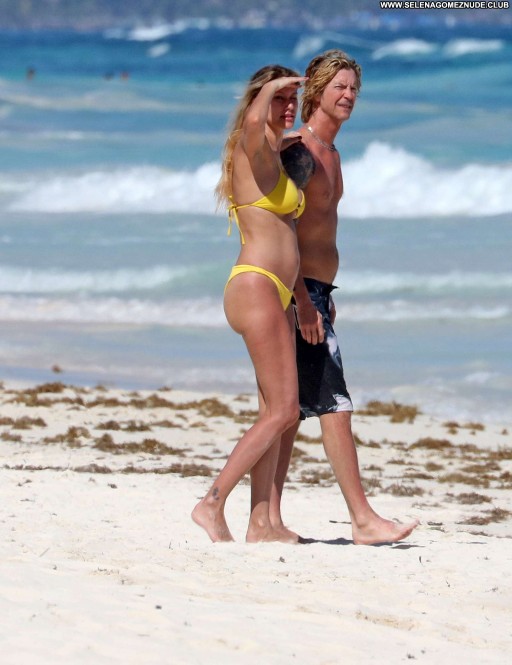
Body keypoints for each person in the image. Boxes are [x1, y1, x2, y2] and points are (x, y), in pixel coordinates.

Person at [273, 50, 419, 545]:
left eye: (354, 88)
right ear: (317, 91)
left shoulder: (331, 153)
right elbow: (282, 227)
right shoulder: (300, 151)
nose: (349, 95)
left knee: (290, 412)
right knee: (335, 403)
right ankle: (362, 519)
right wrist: (302, 300)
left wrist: (321, 292)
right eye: (340, 86)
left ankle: (264, 519)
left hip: (314, 292)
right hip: (296, 295)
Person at [192, 65, 307, 543]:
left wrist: (303, 299)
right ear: (260, 100)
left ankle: (261, 524)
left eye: (292, 100)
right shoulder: (251, 144)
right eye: (279, 98)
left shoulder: (276, 152)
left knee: (276, 411)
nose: (287, 106)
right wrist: (273, 88)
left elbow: (289, 232)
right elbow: (256, 120)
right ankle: (211, 502)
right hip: (255, 285)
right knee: (283, 410)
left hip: (279, 292)